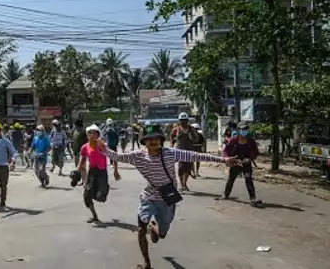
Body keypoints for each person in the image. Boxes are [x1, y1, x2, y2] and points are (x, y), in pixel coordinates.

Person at [98, 124, 240, 269]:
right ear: (144, 141)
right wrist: (104, 149)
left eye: (156, 138)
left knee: (162, 234)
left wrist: (224, 160)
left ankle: (155, 228)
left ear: (160, 140)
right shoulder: (137, 156)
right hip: (149, 197)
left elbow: (196, 156)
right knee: (141, 229)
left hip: (167, 200)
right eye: (149, 139)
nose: (153, 142)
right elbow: (117, 156)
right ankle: (147, 263)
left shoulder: (171, 153)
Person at [77, 124, 121, 223]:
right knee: (86, 195)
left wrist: (115, 171)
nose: (91, 135)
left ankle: (104, 189)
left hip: (102, 172)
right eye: (89, 133)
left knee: (101, 197)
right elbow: (82, 160)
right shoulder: (85, 147)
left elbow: (114, 157)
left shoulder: (102, 145)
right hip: (92, 172)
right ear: (87, 135)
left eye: (94, 133)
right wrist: (77, 172)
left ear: (98, 135)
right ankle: (94, 216)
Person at [217, 122, 262, 206]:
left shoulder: (250, 141)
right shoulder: (233, 140)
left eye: (245, 129)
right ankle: (226, 194)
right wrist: (227, 159)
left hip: (246, 163)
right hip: (235, 163)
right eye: (242, 129)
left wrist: (250, 159)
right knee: (231, 179)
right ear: (238, 130)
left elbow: (256, 152)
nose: (244, 131)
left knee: (249, 180)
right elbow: (226, 151)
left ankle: (253, 199)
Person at [169, 113, 199, 191]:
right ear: (179, 121)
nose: (183, 122)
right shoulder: (176, 129)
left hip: (189, 151)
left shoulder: (191, 129)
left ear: (187, 121)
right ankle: (182, 185)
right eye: (182, 121)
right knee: (181, 168)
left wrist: (191, 138)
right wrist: (171, 145)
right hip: (180, 151)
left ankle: (185, 183)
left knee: (188, 168)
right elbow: (171, 136)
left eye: (185, 121)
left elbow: (197, 139)